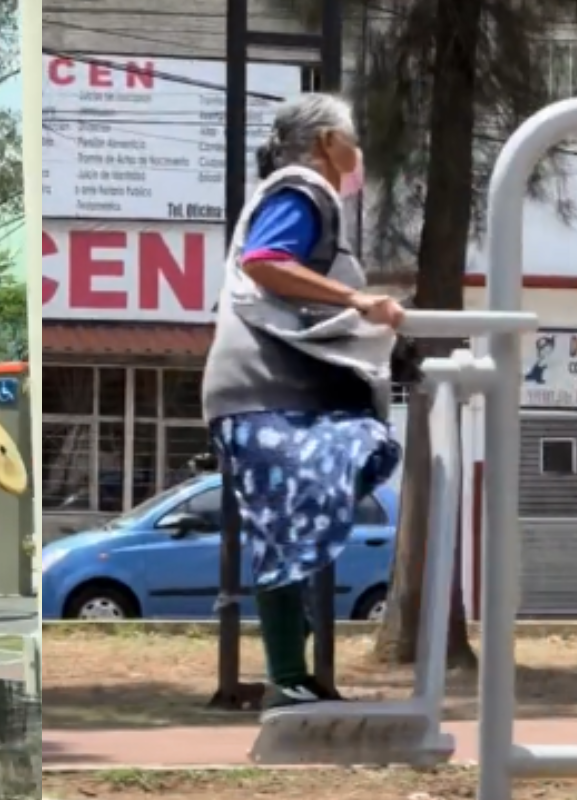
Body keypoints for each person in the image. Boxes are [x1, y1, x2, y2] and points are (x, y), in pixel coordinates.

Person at [201, 93, 407, 712]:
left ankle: (290, 671)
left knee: (296, 516)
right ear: (324, 143)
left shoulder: (313, 201)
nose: (358, 151)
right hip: (261, 392)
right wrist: (363, 304)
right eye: (351, 136)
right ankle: (287, 672)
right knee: (318, 492)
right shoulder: (300, 191)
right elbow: (267, 263)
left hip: (275, 392)